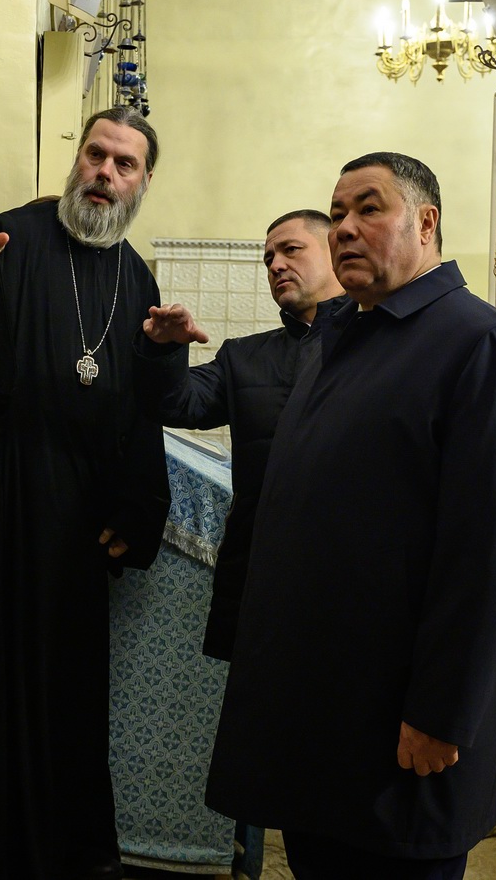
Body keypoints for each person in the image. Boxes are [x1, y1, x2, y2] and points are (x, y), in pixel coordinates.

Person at [205, 152, 496, 880]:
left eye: (369, 208)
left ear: (425, 223)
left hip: (400, 728)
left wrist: (442, 713)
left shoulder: (480, 345)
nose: (345, 228)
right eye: (337, 213)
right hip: (320, 717)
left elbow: (491, 559)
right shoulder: (341, 341)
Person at [0, 105, 171, 880]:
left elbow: (142, 405)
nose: (105, 173)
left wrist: (137, 505)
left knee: (63, 687)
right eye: (96, 155)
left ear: (144, 181)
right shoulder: (8, 237)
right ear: (77, 160)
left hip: (75, 519)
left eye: (124, 164)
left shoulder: (136, 276)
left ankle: (62, 843)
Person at [135, 209, 348, 660]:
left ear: (334, 252)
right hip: (259, 571)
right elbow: (177, 404)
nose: (276, 265)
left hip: (349, 575)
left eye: (291, 250)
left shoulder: (378, 346)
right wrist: (164, 350)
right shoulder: (244, 357)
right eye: (268, 258)